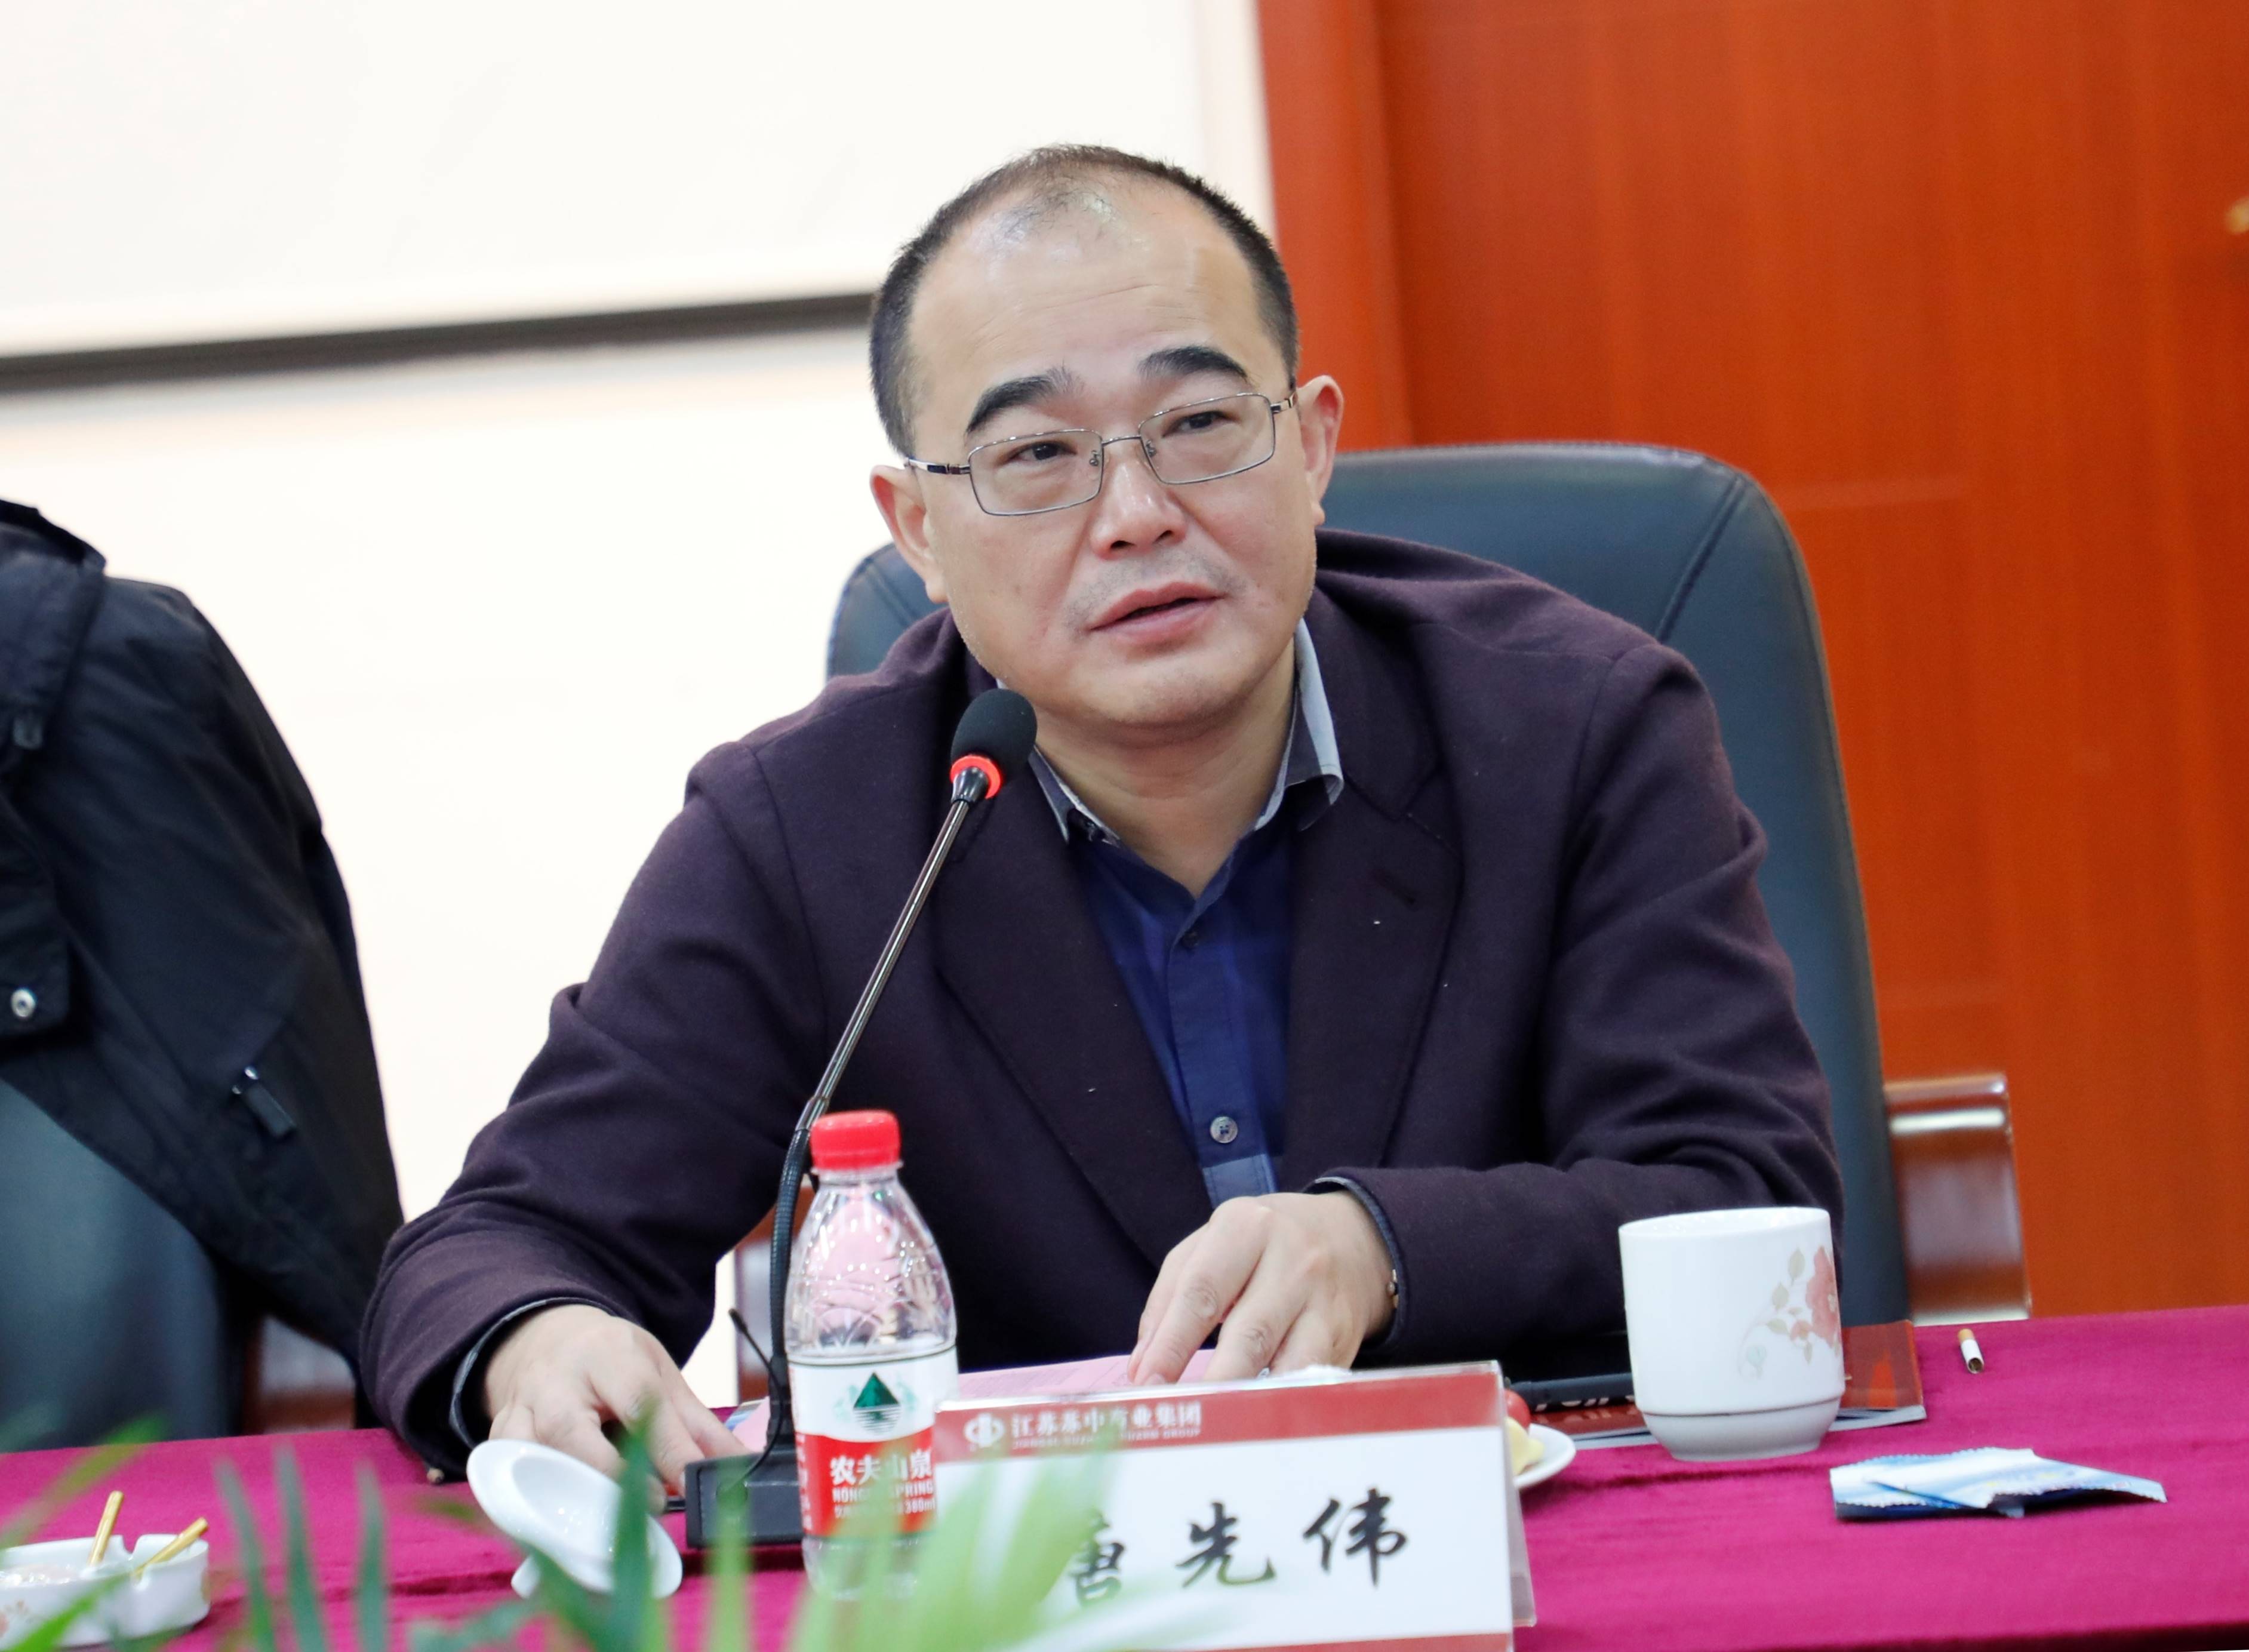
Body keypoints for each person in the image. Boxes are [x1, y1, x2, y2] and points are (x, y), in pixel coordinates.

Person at [362, 145, 1841, 1485]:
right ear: (918, 528)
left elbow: (1743, 1191)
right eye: (1035, 456)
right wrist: (533, 1335)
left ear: (1310, 445)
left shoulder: (1569, 727)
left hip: (1526, 1553)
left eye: (1197, 422)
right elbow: (496, 1244)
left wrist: (1385, 1247)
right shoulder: (807, 833)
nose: (1135, 512)